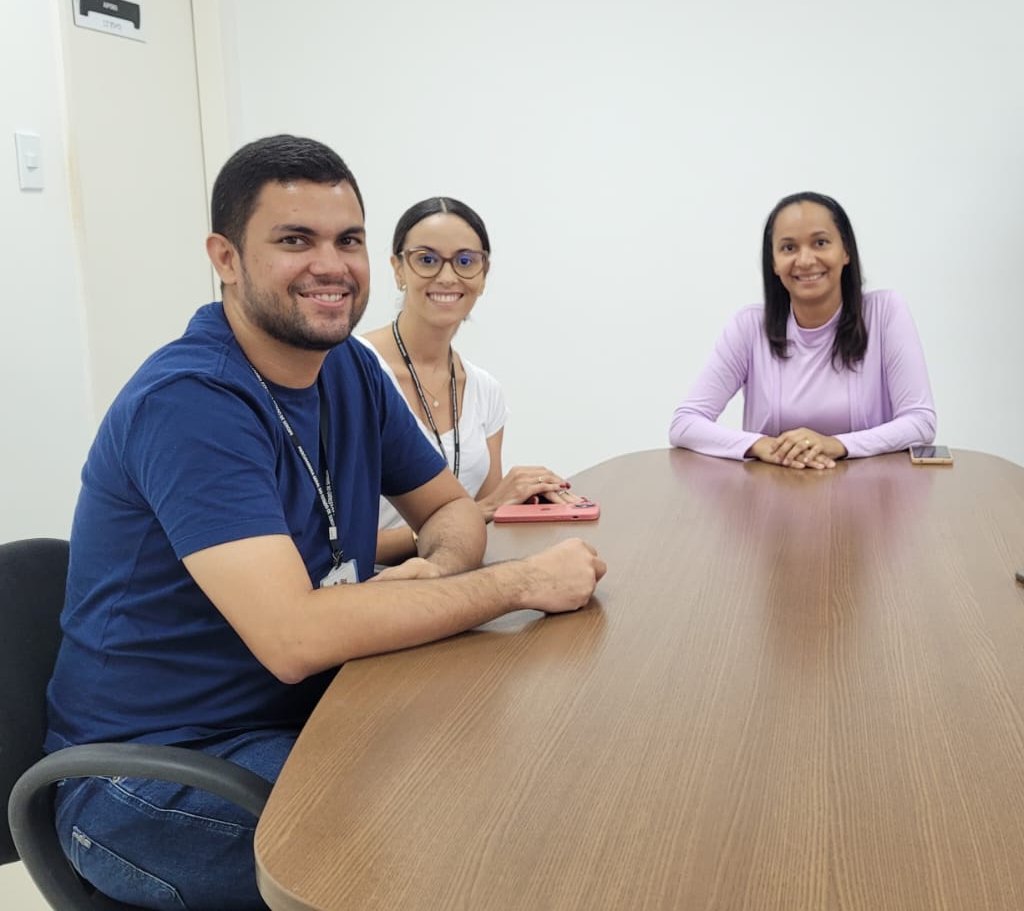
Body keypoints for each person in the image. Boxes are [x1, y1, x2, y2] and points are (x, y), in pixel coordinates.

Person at [45, 135, 607, 911]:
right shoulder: (190, 402)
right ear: (225, 258)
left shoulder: (346, 371)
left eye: (348, 241)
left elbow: (450, 508)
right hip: (144, 778)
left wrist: (437, 570)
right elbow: (295, 640)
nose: (331, 265)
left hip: (302, 719)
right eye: (294, 240)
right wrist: (519, 584)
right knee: (453, 847)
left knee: (516, 766)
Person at [358, 197, 576, 565]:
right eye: (427, 260)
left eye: (465, 261)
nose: (447, 277)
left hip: (454, 577)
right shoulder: (353, 371)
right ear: (398, 270)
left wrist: (529, 496)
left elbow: (487, 519)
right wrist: (480, 511)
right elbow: (327, 544)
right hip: (369, 584)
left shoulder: (485, 391)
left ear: (483, 274)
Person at [669, 191, 936, 469]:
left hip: (868, 490)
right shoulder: (749, 327)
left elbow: (920, 422)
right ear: (773, 262)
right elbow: (685, 423)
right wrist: (761, 445)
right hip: (772, 489)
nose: (805, 260)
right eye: (789, 248)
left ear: (845, 251)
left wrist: (837, 444)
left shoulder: (885, 312)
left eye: (820, 243)